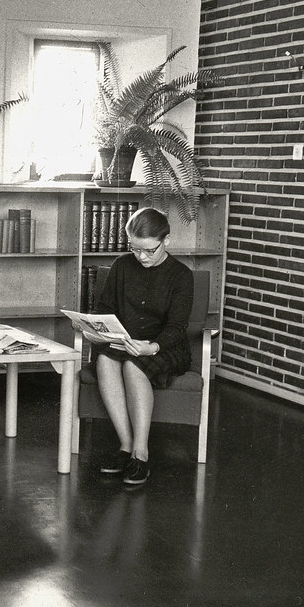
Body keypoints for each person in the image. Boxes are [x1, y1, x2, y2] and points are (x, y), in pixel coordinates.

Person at [92, 206, 193, 486]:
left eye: (149, 250)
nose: (141, 257)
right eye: (135, 249)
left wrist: (152, 347)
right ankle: (125, 447)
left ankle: (141, 454)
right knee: (105, 360)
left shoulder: (181, 275)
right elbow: (104, 307)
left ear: (167, 241)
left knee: (134, 366)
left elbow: (177, 327)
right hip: (126, 339)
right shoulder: (123, 265)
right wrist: (96, 327)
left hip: (166, 346)